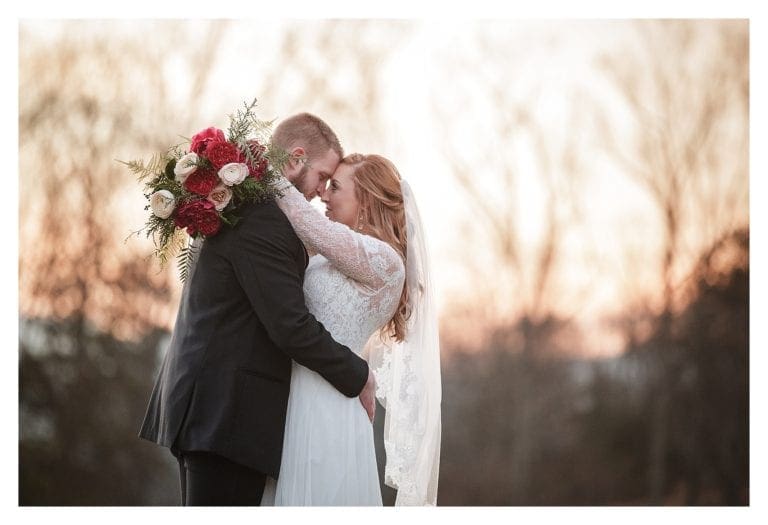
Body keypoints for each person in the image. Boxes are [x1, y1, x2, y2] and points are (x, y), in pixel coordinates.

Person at [138, 113, 377, 506]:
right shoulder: (263, 218)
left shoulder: (246, 205)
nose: (320, 193)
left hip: (214, 412)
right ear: (296, 158)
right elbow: (289, 326)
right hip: (226, 415)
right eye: (321, 177)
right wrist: (359, 374)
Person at [260, 152, 442, 506]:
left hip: (324, 403)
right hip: (292, 394)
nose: (324, 195)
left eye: (336, 187)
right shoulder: (337, 252)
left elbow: (307, 222)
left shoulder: (385, 261)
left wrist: (264, 171)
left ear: (368, 200)